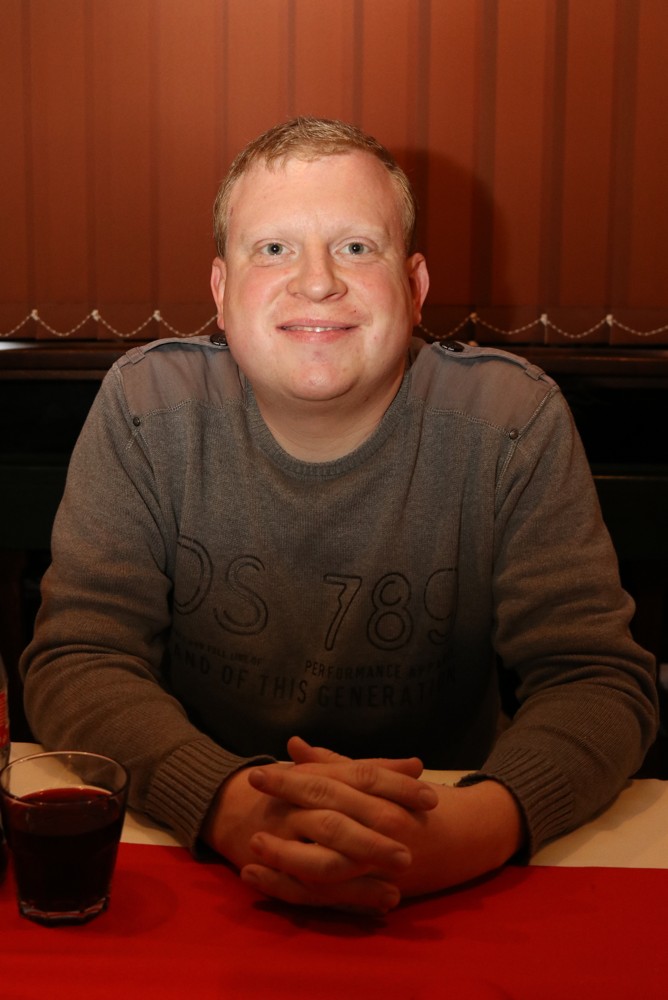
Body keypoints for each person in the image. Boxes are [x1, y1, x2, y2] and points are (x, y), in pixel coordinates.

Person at [21, 117, 657, 915]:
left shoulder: (512, 422)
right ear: (220, 291)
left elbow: (596, 681)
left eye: (356, 247)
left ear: (415, 288)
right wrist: (227, 804)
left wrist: (472, 829)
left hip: (453, 859)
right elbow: (81, 656)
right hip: (203, 858)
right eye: (273, 249)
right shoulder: (146, 409)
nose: (317, 282)